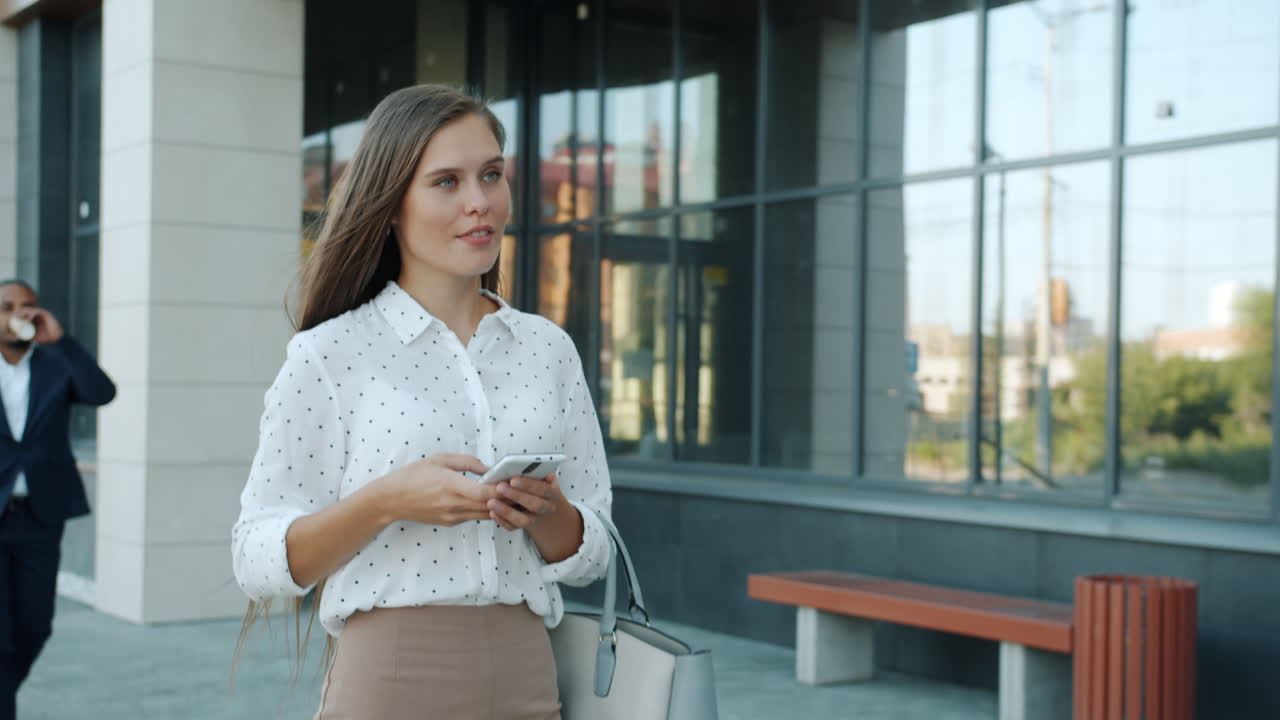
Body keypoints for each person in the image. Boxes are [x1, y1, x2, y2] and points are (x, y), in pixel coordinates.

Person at [231, 85, 612, 719]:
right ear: (390, 206)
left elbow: (593, 548)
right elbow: (256, 558)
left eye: (491, 175)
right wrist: (388, 501)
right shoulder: (331, 353)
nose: (479, 202)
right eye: (446, 182)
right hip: (390, 679)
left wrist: (544, 512)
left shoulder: (547, 348)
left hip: (528, 674)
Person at [0, 279, 116, 720]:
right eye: (7, 306)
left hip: (40, 518)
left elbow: (102, 393)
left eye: (28, 305)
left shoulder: (55, 362)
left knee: (34, 626)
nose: (19, 313)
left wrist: (62, 340)